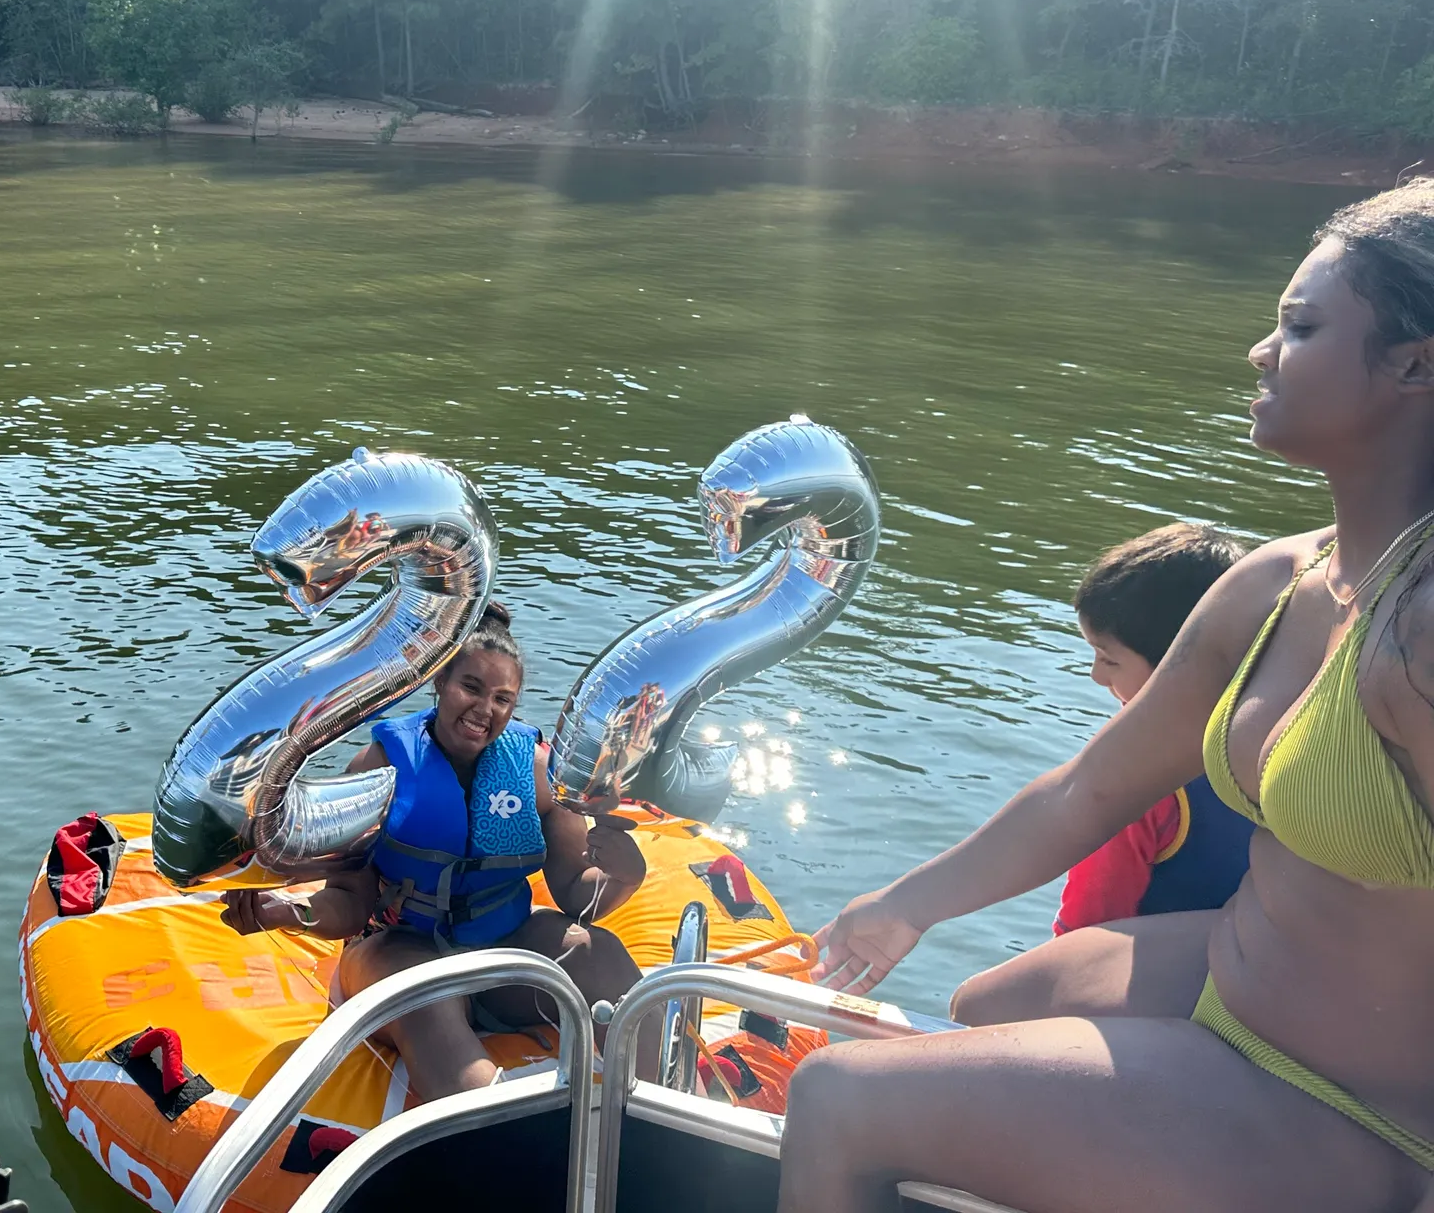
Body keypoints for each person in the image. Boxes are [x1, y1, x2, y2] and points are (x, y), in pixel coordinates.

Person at [780, 181, 1434, 1213]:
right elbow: (1089, 790)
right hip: (1230, 986)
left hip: (1353, 1104)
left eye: (1300, 327)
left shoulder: (1421, 635)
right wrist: (904, 907)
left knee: (837, 1102)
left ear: (1413, 361)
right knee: (982, 1000)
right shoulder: (1275, 584)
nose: (1260, 354)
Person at [220, 602, 653, 1101]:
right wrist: (292, 912)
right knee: (429, 997)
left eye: (502, 698)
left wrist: (623, 875)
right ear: (440, 683)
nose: (484, 710)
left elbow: (577, 893)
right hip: (395, 948)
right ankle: (494, 1143)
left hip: (500, 942)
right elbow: (350, 902)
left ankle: (661, 1111)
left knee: (601, 954)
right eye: (471, 687)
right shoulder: (378, 767)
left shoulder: (538, 771)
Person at [950, 522, 1252, 1026]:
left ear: (1179, 666)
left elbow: (1085, 931)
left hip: (1155, 1006)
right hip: (1265, 992)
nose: (1096, 675)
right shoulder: (1287, 751)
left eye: (1109, 658)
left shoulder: (1139, 781)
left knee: (977, 1004)